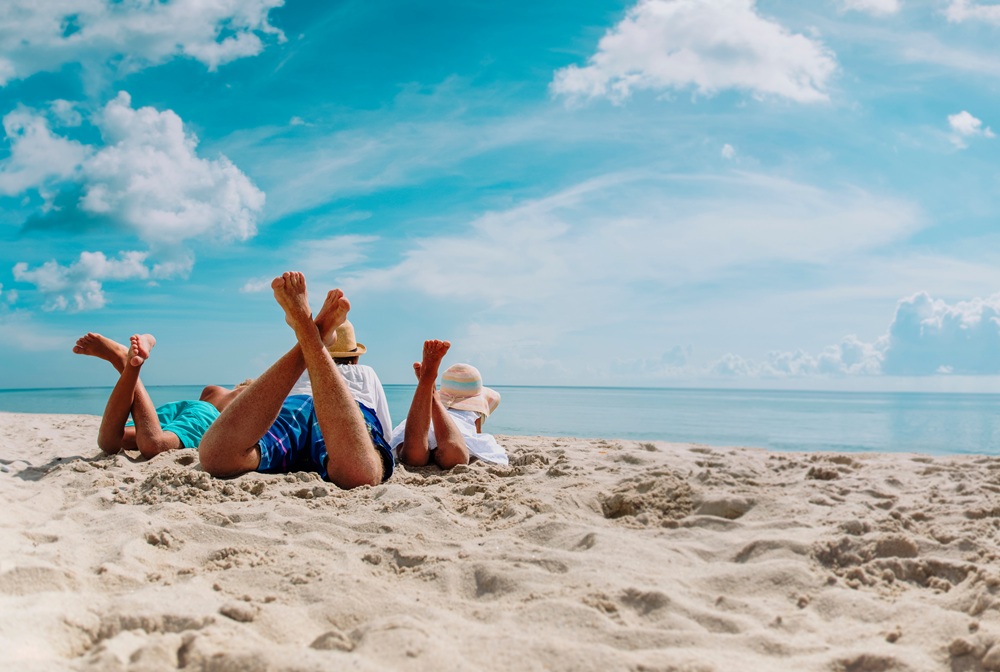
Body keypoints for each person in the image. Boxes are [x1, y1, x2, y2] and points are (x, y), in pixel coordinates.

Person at [197, 272, 394, 490]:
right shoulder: (364, 372)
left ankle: (307, 331)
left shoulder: (295, 369)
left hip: (296, 403)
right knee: (360, 473)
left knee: (218, 457)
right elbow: (385, 431)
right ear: (355, 357)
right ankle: (310, 333)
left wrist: (307, 341)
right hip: (343, 411)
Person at [72, 332, 248, 458]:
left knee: (111, 443)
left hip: (180, 409)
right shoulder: (243, 393)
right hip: (209, 415)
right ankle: (125, 363)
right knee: (154, 445)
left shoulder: (214, 390)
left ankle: (122, 360)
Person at [392, 339, 506, 468]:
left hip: (422, 422)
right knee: (456, 457)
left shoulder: (422, 411)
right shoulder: (472, 413)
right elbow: (476, 433)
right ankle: (434, 399)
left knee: (412, 456)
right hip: (453, 429)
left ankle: (429, 391)